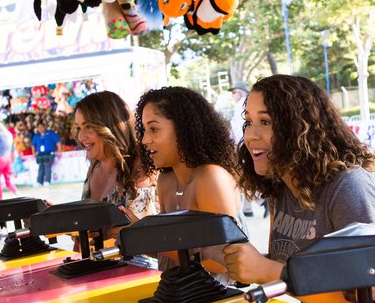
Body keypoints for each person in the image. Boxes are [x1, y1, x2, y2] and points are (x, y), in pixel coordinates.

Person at [222, 74, 375, 303]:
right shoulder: (280, 187)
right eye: (248, 121)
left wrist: (265, 270)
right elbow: (289, 263)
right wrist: (239, 262)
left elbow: (366, 294)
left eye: (266, 122)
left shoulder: (349, 187)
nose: (250, 136)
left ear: (300, 127)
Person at [133, 86, 241, 277]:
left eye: (154, 129)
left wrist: (148, 236)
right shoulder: (166, 181)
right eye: (144, 130)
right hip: (175, 294)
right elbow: (167, 256)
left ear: (184, 129)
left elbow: (224, 260)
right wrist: (134, 233)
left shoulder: (210, 177)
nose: (144, 140)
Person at [73, 90, 156, 219]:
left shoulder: (142, 169)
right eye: (78, 128)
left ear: (111, 126)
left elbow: (144, 231)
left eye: (88, 126)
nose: (81, 136)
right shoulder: (94, 168)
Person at [229, 81, 256, 217]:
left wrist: (239, 148)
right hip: (244, 146)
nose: (232, 95)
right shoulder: (243, 105)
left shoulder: (242, 106)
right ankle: (250, 206)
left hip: (243, 146)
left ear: (239, 92)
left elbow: (240, 130)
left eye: (234, 92)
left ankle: (259, 200)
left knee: (247, 176)